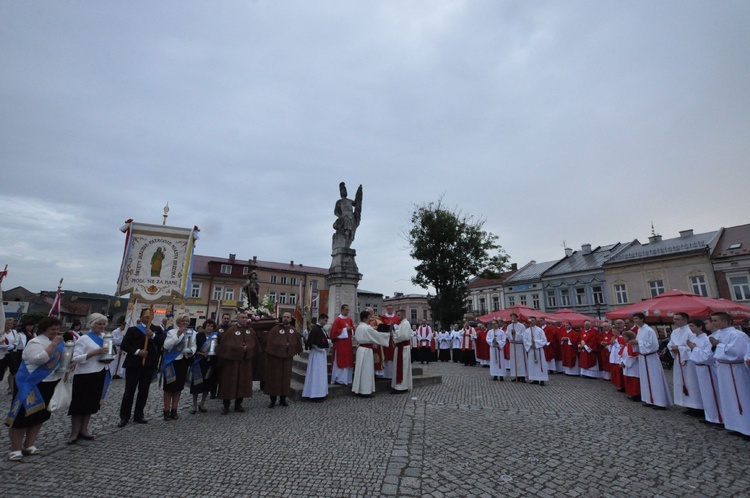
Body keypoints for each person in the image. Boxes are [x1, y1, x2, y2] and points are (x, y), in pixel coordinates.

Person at [5, 317, 66, 462]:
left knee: (40, 416)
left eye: (58, 329)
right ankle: (15, 449)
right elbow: (39, 359)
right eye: (53, 329)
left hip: (49, 382)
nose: (56, 332)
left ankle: (29, 444)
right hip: (31, 383)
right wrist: (54, 344)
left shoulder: (58, 343)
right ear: (44, 329)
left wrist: (69, 364)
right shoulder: (35, 342)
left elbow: (61, 360)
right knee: (22, 417)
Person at [117, 308, 164, 427]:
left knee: (143, 391)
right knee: (129, 391)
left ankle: (139, 414)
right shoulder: (133, 330)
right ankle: (124, 416)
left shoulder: (156, 329)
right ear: (141, 316)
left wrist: (152, 335)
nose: (148, 318)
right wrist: (137, 352)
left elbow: (162, 342)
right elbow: (124, 344)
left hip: (148, 365)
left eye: (150, 315)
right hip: (133, 364)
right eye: (145, 315)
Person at [68, 313, 111, 444]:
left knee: (91, 404)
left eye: (104, 324)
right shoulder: (84, 339)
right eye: (99, 324)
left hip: (99, 372)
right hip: (85, 375)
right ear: (92, 324)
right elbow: (76, 358)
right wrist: (94, 353)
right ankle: (74, 432)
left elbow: (109, 354)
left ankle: (84, 429)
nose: (102, 327)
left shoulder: (106, 338)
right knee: (79, 404)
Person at [709, 312, 750, 437]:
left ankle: (746, 427)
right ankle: (734, 424)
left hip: (735, 369)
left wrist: (718, 345)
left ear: (726, 321)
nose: (713, 323)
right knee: (727, 396)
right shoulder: (717, 334)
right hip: (723, 368)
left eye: (716, 320)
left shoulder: (737, 334)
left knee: (740, 396)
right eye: (712, 320)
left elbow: (736, 352)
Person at [216, 311, 258, 415]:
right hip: (232, 363)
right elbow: (226, 345)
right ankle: (226, 405)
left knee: (243, 382)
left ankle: (238, 404)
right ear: (238, 319)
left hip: (245, 362)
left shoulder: (250, 331)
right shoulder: (231, 330)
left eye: (245, 317)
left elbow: (254, 345)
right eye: (242, 317)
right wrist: (239, 348)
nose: (244, 319)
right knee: (229, 382)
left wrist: (247, 348)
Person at [631, 313, 672, 409]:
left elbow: (654, 345)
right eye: (634, 319)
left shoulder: (649, 330)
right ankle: (649, 399)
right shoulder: (640, 330)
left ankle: (660, 402)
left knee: (655, 379)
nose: (635, 321)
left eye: (636, 318)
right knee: (645, 379)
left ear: (642, 319)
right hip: (643, 357)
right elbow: (639, 343)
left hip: (651, 357)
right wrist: (635, 344)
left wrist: (638, 343)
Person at [263, 312, 303, 408]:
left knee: (285, 379)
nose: (285, 318)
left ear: (290, 319)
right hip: (275, 359)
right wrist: (282, 346)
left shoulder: (293, 330)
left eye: (287, 317)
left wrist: (290, 347)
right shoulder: (275, 329)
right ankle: (273, 399)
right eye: (284, 317)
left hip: (287, 359)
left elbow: (296, 343)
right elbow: (270, 342)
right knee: (275, 379)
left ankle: (283, 399)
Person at [687, 319, 722, 426]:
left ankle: (717, 418)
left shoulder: (707, 340)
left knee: (711, 393)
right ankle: (709, 416)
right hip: (698, 368)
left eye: (692, 326)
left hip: (707, 369)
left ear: (700, 327)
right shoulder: (694, 338)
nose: (690, 328)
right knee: (705, 393)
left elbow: (708, 357)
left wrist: (694, 348)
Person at [161, 315, 196, 421]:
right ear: (178, 322)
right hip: (172, 362)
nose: (185, 322)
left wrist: (191, 351)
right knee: (168, 387)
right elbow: (167, 346)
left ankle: (174, 409)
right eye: (183, 321)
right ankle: (166, 410)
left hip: (183, 362)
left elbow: (194, 345)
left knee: (178, 387)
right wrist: (178, 334)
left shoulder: (192, 333)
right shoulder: (172, 332)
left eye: (187, 321)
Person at [351, 310, 391, 397]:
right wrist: (387, 333)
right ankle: (365, 391)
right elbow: (377, 335)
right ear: (365, 318)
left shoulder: (359, 327)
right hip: (367, 351)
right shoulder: (367, 328)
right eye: (369, 318)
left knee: (360, 371)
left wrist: (371, 326)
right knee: (367, 371)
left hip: (360, 350)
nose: (370, 319)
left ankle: (358, 389)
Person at [668, 312, 702, 412]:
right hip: (679, 359)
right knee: (681, 381)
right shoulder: (675, 332)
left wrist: (680, 348)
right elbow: (670, 343)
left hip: (689, 361)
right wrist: (672, 348)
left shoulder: (690, 331)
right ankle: (687, 403)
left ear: (685, 320)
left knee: (691, 381)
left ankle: (696, 405)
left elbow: (694, 346)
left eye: (677, 319)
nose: (675, 321)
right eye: (674, 319)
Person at [189, 318, 219, 414]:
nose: (209, 328)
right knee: (196, 384)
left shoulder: (216, 337)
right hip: (199, 362)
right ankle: (194, 404)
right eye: (208, 326)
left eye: (211, 326)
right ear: (204, 327)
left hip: (210, 363)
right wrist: (201, 353)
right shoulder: (198, 336)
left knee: (207, 383)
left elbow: (219, 348)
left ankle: (202, 403)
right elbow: (193, 348)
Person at [302, 314, 330, 402]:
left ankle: (321, 393)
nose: (326, 323)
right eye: (325, 320)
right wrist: (321, 348)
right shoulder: (315, 329)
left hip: (321, 354)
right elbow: (312, 342)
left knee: (321, 374)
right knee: (316, 374)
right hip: (317, 354)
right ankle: (314, 394)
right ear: (320, 319)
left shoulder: (321, 329)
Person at [329, 304, 355, 386]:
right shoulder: (337, 320)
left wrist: (352, 330)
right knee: (341, 361)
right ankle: (339, 379)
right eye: (346, 310)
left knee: (348, 361)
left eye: (348, 310)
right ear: (342, 310)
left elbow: (353, 328)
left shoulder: (349, 319)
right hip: (340, 344)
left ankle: (347, 379)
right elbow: (334, 332)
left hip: (348, 344)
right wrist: (344, 330)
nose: (347, 311)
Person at [390, 311, 412, 394]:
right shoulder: (401, 324)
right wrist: (394, 332)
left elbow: (403, 336)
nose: (397, 317)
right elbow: (399, 334)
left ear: (403, 314)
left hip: (403, 349)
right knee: (399, 366)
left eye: (399, 315)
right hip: (400, 348)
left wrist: (394, 336)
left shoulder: (406, 324)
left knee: (403, 367)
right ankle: (398, 385)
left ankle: (401, 387)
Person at [524, 317, 549, 386]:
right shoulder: (527, 331)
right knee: (532, 364)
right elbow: (525, 341)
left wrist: (536, 342)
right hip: (531, 349)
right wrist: (530, 345)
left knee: (540, 364)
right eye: (530, 320)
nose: (531, 322)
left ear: (535, 321)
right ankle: (534, 378)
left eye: (533, 320)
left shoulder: (540, 330)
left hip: (538, 349)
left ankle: (542, 379)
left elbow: (544, 340)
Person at [621, 330, 640, 401]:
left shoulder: (632, 344)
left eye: (625, 336)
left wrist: (625, 363)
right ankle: (631, 393)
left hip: (633, 365)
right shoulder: (627, 345)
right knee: (629, 379)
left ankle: (636, 394)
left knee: (634, 380)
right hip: (627, 364)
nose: (623, 338)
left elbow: (632, 356)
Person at [506, 314, 526, 381]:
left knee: (520, 361)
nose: (513, 318)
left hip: (519, 345)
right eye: (511, 317)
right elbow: (507, 335)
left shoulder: (521, 326)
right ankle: (515, 375)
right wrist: (511, 335)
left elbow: (524, 335)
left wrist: (516, 334)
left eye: (514, 317)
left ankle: (522, 376)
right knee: (514, 361)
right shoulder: (509, 326)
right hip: (512, 345)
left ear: (517, 318)